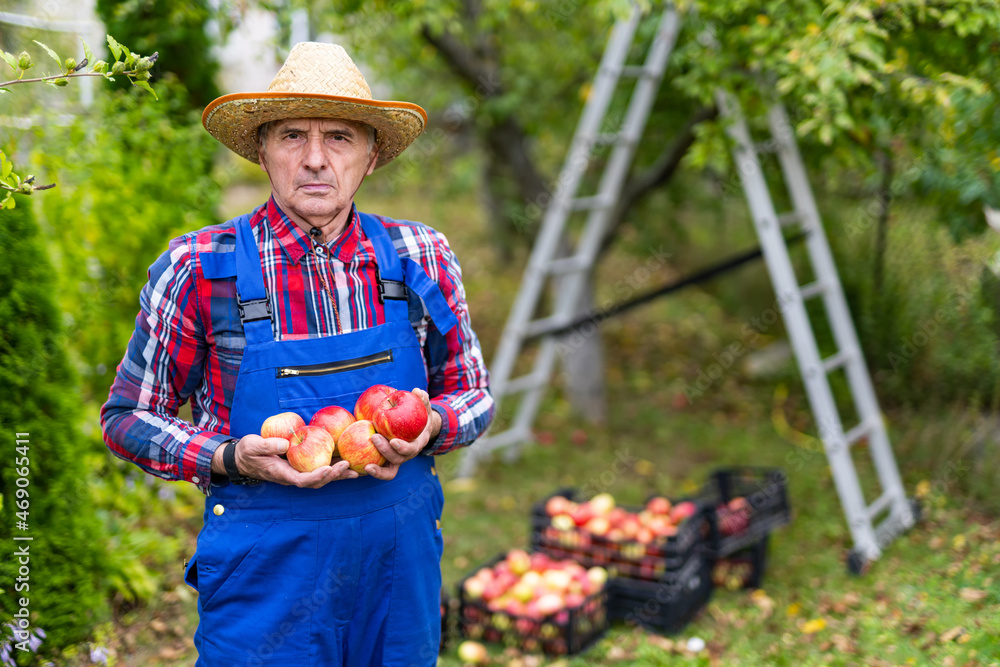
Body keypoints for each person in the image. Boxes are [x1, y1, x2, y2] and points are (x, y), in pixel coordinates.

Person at [100, 42, 495, 666]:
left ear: (369, 157)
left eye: (338, 137)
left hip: (399, 572)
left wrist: (433, 427)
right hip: (267, 578)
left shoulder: (421, 258)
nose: (314, 160)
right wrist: (231, 457)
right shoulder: (200, 269)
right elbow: (125, 418)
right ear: (262, 150)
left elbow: (473, 393)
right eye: (291, 136)